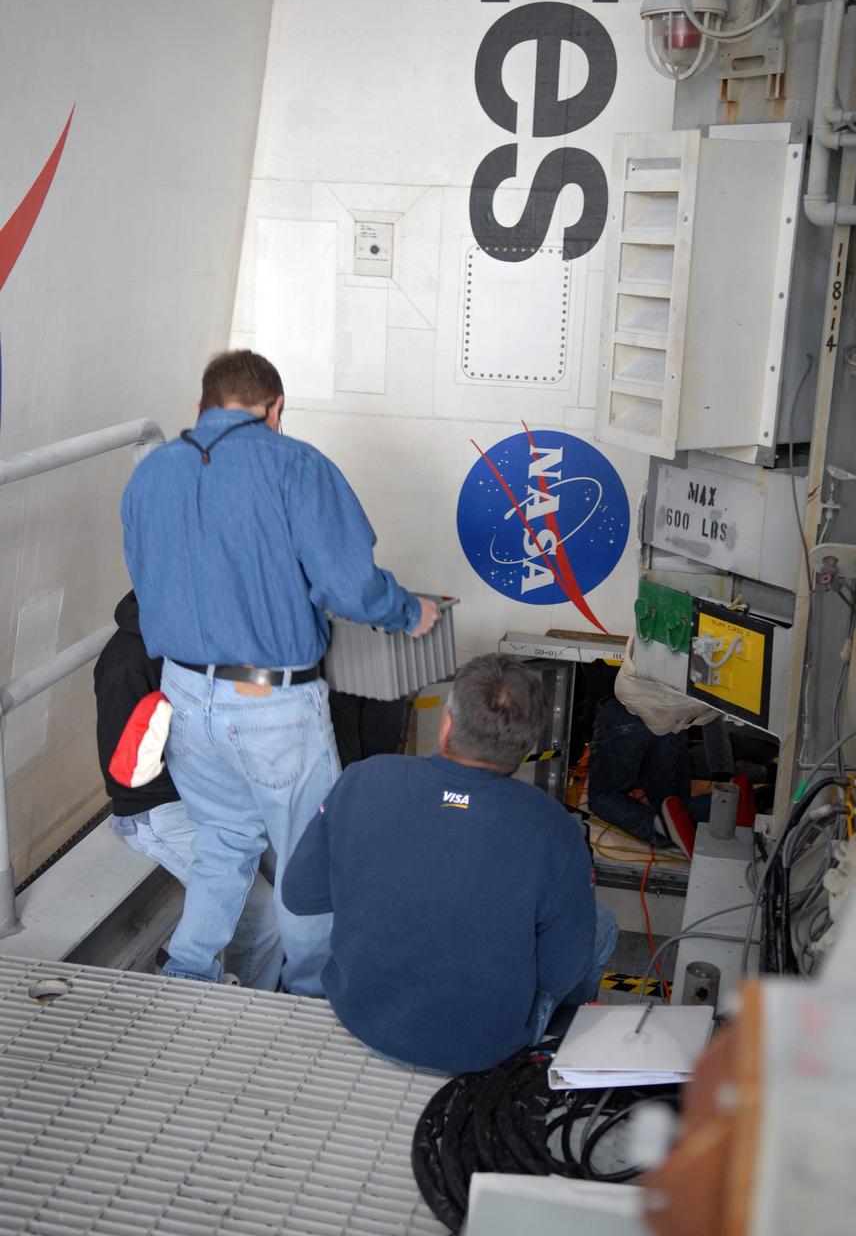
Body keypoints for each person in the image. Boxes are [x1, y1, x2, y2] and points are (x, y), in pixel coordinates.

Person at [121, 349, 438, 993]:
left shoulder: (151, 473)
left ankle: (188, 968)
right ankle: (312, 994)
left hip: (181, 691)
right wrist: (412, 613)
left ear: (201, 406)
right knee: (306, 857)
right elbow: (351, 587)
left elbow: (148, 575)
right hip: (269, 703)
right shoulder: (297, 465)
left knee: (222, 838)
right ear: (276, 408)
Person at [282, 654, 619, 1076]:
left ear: (447, 722)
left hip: (363, 1018)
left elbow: (299, 895)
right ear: (527, 745)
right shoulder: (554, 828)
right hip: (483, 1047)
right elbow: (559, 970)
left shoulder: (363, 779)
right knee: (601, 924)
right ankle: (555, 1045)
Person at [93, 590, 283, 989]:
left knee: (292, 876)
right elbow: (127, 779)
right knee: (262, 911)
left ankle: (266, 973)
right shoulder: (126, 662)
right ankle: (250, 1004)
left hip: (208, 792)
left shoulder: (197, 637)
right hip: (155, 809)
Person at [587, 634, 716, 858]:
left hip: (626, 709)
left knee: (603, 796)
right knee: (671, 799)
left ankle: (658, 826)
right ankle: (722, 806)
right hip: (671, 713)